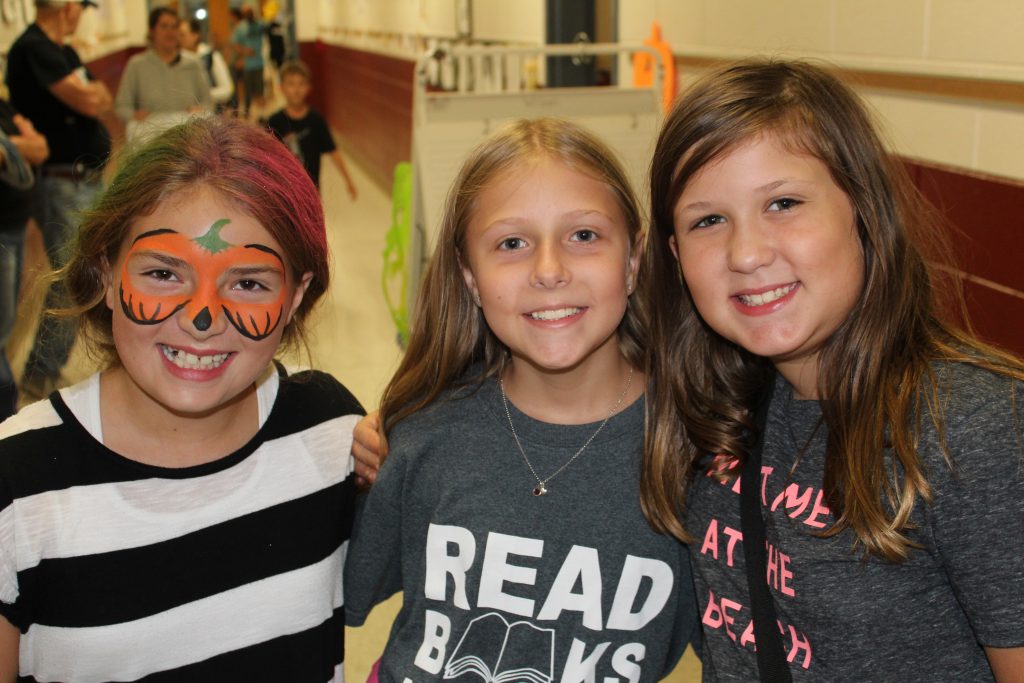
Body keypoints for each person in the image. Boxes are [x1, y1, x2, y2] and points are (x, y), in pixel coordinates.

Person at [642, 59, 1024, 681]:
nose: (746, 253)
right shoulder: (718, 413)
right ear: (676, 254)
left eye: (783, 203)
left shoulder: (972, 429)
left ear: (863, 211)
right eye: (708, 221)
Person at [0, 116, 363, 681]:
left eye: (248, 283)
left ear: (295, 298)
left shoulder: (332, 431)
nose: (202, 318)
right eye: (164, 273)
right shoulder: (16, 480)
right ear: (106, 273)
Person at [344, 118, 699, 682]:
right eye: (512, 243)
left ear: (633, 261)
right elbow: (336, 587)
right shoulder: (424, 428)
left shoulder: (695, 450)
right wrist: (354, 475)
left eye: (584, 236)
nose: (549, 271)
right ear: (470, 277)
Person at [5, 0, 112, 402]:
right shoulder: (34, 48)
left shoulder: (63, 51)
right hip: (61, 182)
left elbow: (100, 95)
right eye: (80, 7)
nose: (81, 14)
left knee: (86, 274)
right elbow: (91, 101)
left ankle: (44, 369)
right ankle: (40, 372)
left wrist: (90, 94)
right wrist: (89, 95)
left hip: (85, 180)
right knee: (73, 279)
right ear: (66, 7)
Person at [0, 104, 48, 420]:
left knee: (6, 329)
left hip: (13, 226)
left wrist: (10, 147)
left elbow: (40, 148)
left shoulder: (3, 106)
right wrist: (18, 145)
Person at [115, 7, 212, 142]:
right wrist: (133, 115)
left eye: (174, 27)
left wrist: (200, 110)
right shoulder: (137, 65)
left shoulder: (193, 63)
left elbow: (208, 102)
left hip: (187, 138)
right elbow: (122, 107)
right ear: (152, 31)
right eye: (164, 26)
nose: (170, 32)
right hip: (151, 139)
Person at [267, 60, 357, 197]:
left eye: (301, 84)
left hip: (312, 192)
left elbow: (333, 151)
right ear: (281, 88)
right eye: (291, 84)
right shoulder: (274, 121)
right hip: (286, 192)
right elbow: (267, 157)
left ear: (308, 87)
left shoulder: (316, 120)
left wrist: (348, 180)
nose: (296, 90)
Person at [179, 18, 234, 109]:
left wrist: (201, 96)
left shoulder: (211, 56)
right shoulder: (177, 60)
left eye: (182, 35)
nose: (179, 39)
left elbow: (227, 89)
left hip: (210, 111)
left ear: (195, 35)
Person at [229, 5, 265, 119]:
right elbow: (235, 44)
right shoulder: (240, 28)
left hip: (259, 63)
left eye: (250, 11)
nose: (249, 14)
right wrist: (245, 51)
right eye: (246, 12)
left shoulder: (260, 25)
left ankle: (262, 116)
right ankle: (246, 114)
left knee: (260, 91)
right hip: (247, 65)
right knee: (247, 92)